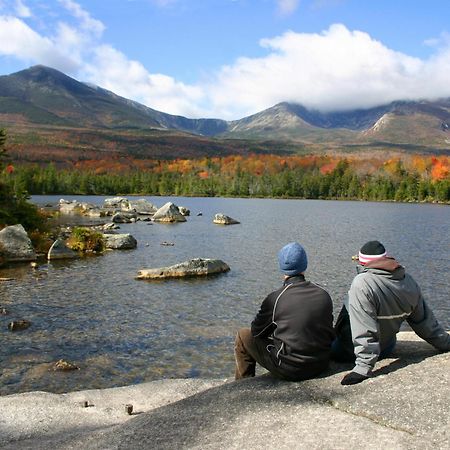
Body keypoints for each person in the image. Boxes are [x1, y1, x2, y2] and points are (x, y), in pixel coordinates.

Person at [333, 240, 450, 385]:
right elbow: (425, 323)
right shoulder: (408, 281)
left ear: (362, 263)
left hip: (348, 351)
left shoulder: (362, 283)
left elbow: (365, 329)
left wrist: (363, 368)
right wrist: (446, 343)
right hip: (387, 346)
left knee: (348, 303)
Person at [234, 242, 335, 381]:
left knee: (242, 335)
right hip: (321, 364)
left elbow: (257, 332)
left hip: (290, 370)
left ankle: (243, 386)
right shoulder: (323, 294)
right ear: (304, 265)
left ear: (282, 267)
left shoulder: (275, 299)